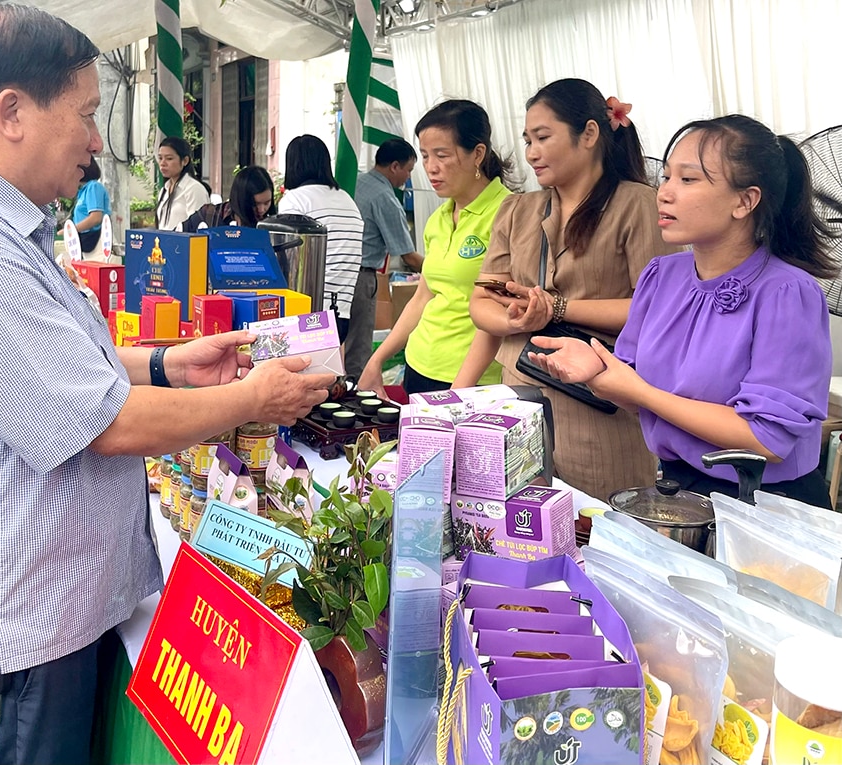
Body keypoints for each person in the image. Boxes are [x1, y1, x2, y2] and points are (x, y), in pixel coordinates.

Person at [0, 6, 334, 763]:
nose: (95, 139)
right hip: (12, 635)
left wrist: (166, 364)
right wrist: (254, 400)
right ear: (13, 111)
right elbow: (101, 422)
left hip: (37, 620)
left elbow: (50, 368)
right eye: (85, 113)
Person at [529, 114, 838, 508]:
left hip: (766, 505)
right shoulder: (662, 276)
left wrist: (639, 390)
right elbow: (633, 389)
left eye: (688, 180)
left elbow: (766, 438)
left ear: (745, 201)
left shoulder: (787, 292)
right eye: (667, 177)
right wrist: (598, 370)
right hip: (679, 491)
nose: (665, 193)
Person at [456, 79, 677, 500]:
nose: (531, 152)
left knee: (597, 534)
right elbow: (482, 302)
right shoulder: (517, 209)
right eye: (527, 140)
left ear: (590, 134)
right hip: (520, 401)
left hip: (599, 407)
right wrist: (517, 317)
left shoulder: (638, 205)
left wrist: (557, 309)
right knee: (520, 529)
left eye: (542, 137)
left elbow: (654, 310)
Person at [358, 99, 513, 397]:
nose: (431, 168)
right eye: (425, 156)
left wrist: (456, 395)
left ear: (477, 154)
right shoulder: (438, 218)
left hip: (473, 380)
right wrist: (377, 359)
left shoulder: (508, 213)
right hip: (419, 367)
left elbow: (498, 314)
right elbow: (423, 297)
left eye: (442, 155)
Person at [346, 138, 422, 379]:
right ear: (395, 166)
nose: (408, 178)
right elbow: (408, 255)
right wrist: (441, 268)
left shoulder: (355, 182)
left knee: (339, 345)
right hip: (361, 277)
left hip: (339, 272)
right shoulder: (384, 198)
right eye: (409, 170)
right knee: (358, 350)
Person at [278, 134, 363, 343]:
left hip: (307, 311)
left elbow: (288, 261)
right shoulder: (347, 200)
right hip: (342, 312)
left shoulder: (295, 200)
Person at [183, 164, 276, 231]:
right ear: (241, 199)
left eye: (267, 203)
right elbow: (176, 238)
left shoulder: (271, 226)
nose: (262, 209)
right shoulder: (209, 215)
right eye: (255, 204)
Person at [155, 136, 208, 230]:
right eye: (160, 158)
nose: (162, 163)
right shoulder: (165, 189)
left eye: (169, 158)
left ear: (185, 161)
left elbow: (199, 227)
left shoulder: (194, 189)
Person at [70, 155, 111, 253]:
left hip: (94, 240)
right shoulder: (84, 190)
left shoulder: (93, 187)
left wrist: (70, 231)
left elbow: (95, 218)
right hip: (84, 239)